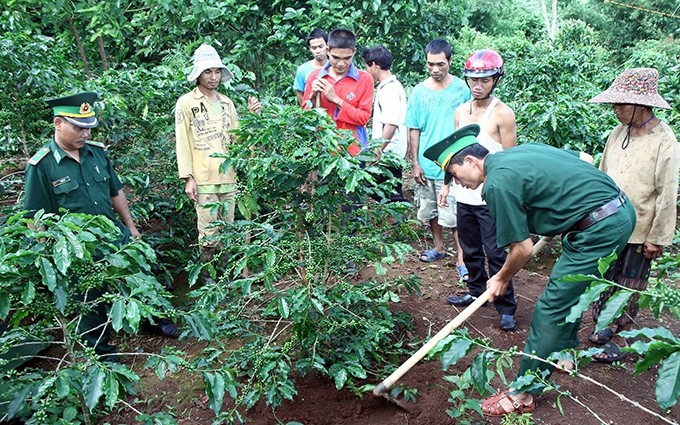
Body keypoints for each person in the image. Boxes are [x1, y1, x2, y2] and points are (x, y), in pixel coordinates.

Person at [423, 124, 636, 416]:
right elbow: (584, 159)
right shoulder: (522, 151)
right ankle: (562, 353)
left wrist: (500, 277)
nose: (458, 184)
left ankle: (524, 392)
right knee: (569, 292)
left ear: (471, 161)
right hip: (615, 212)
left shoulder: (498, 183)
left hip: (599, 228)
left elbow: (521, 249)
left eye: (456, 176)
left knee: (551, 307)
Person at [24, 92, 180, 359]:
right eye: (78, 127)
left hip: (111, 236)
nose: (85, 134)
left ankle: (153, 321)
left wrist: (130, 226)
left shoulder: (96, 154)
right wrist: (47, 257)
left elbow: (115, 191)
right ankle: (102, 353)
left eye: (88, 127)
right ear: (58, 123)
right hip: (77, 248)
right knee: (89, 300)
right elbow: (35, 217)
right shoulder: (41, 166)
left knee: (139, 277)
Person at [587, 67, 679, 362]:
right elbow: (602, 175)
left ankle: (621, 336)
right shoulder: (617, 133)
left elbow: (667, 193)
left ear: (642, 104)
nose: (616, 110)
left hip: (640, 227)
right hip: (610, 223)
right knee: (605, 276)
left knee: (630, 282)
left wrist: (658, 237)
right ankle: (603, 325)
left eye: (621, 104)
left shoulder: (664, 141)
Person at [439, 50, 518, 331]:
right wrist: (447, 186)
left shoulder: (502, 114)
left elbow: (510, 160)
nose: (478, 85)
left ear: (496, 80)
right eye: (473, 79)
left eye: (484, 80)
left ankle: (506, 305)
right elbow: (454, 156)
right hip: (464, 194)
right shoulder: (461, 111)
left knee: (496, 252)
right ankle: (475, 290)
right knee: (470, 248)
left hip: (491, 196)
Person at [175, 44, 261, 283]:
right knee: (208, 233)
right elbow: (182, 141)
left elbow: (238, 142)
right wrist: (188, 178)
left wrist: (253, 118)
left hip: (228, 179)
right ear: (198, 74)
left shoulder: (227, 103)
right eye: (207, 72)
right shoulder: (186, 103)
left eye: (216, 72)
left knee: (228, 230)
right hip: (203, 179)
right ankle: (207, 277)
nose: (213, 77)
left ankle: (225, 276)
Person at [404, 38, 471, 278]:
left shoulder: (462, 91)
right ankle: (439, 247)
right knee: (431, 210)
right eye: (431, 64)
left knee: (455, 214)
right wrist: (415, 163)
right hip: (426, 163)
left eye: (440, 64)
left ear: (450, 62)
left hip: (453, 164)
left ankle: (462, 259)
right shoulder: (419, 92)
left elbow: (468, 128)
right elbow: (413, 128)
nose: (435, 69)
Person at [302, 28, 374, 157]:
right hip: (323, 152)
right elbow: (305, 118)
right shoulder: (315, 77)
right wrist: (312, 96)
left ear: (354, 52)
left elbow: (363, 118)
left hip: (354, 153)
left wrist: (335, 99)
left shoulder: (365, 79)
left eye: (347, 58)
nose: (341, 64)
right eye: (335, 58)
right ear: (328, 50)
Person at [361, 44, 407, 202]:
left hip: (388, 153)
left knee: (384, 192)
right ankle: (399, 220)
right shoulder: (391, 86)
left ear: (374, 65)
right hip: (390, 152)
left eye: (366, 66)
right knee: (388, 192)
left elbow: (391, 124)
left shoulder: (389, 90)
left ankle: (402, 219)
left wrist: (377, 152)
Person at [294, 29, 328, 106]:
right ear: (310, 49)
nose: (318, 51)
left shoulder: (334, 67)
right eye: (314, 48)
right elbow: (299, 92)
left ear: (327, 45)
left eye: (321, 46)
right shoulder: (302, 70)